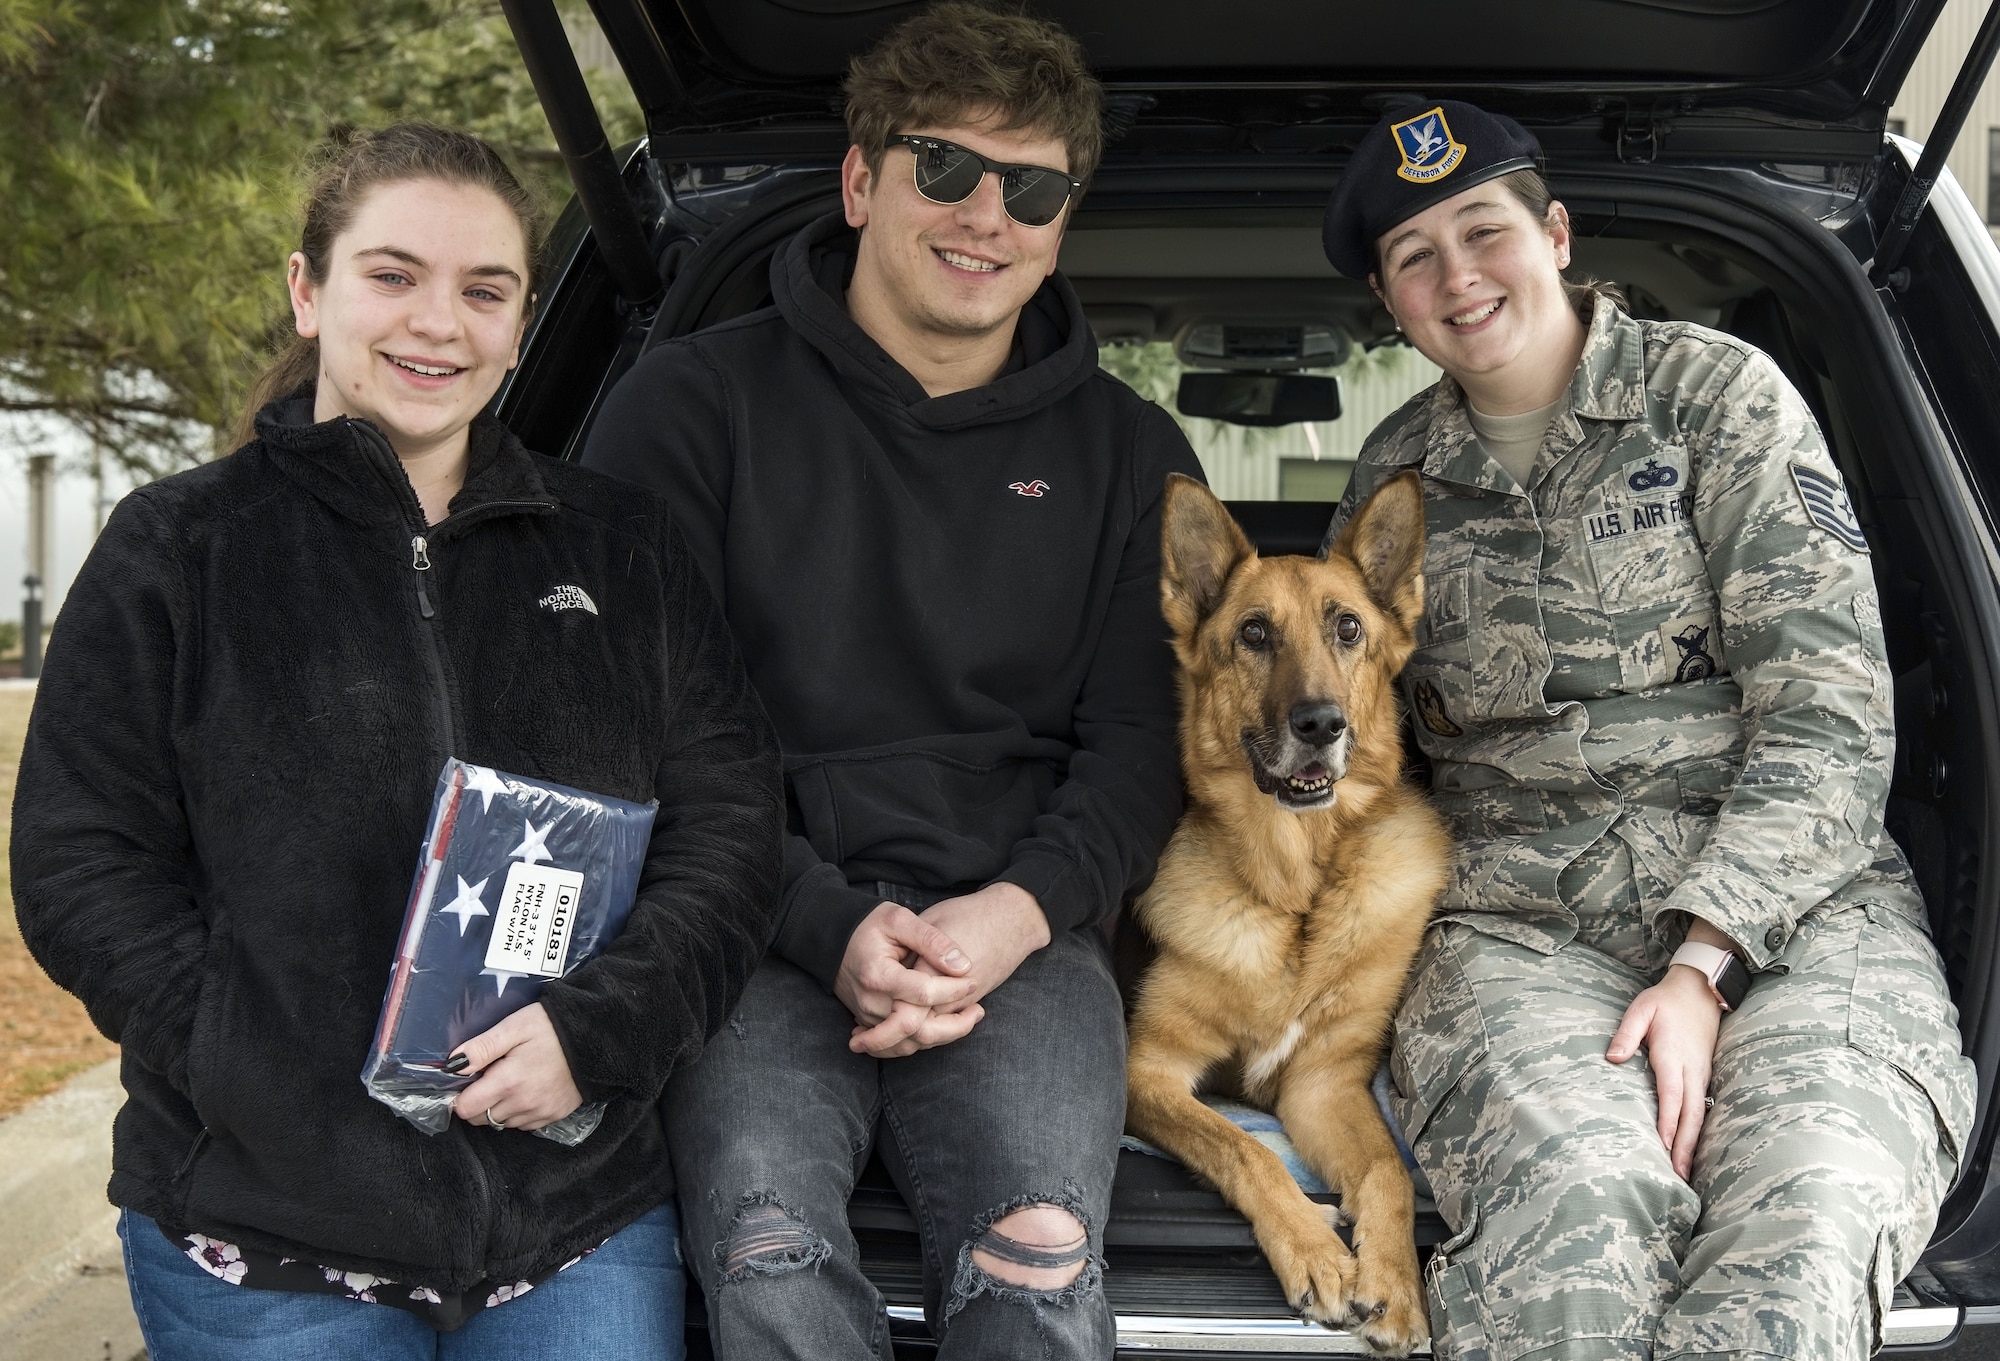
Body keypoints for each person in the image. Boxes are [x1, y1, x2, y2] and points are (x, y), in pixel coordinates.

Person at [12, 123, 783, 1360]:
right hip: (264, 1239)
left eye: (484, 291)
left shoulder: (619, 547)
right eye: (393, 274)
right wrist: (247, 1058)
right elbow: (77, 856)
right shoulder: (181, 548)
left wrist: (600, 1034)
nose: (438, 322)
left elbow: (732, 827)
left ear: (522, 326)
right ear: (308, 290)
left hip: (573, 1228)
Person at [580, 5, 1201, 1356]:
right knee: (760, 1243)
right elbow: (643, 729)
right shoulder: (688, 409)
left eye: (1031, 188)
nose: (987, 214)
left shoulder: (1129, 454)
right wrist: (822, 922)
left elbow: (1142, 749)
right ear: (862, 181)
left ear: (1061, 221)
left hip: (1019, 934)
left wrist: (1016, 916)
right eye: (945, 169)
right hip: (749, 914)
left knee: (1036, 1255)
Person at [1318, 99, 1978, 1359]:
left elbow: (1830, 711)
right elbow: (1360, 754)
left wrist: (1700, 962)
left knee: (1806, 1204)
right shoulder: (1391, 479)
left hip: (1796, 912)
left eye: (1482, 229)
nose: (1457, 274)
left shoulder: (1716, 398)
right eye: (1414, 256)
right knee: (1572, 1219)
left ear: (1553, 234)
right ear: (1388, 301)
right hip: (1514, 929)